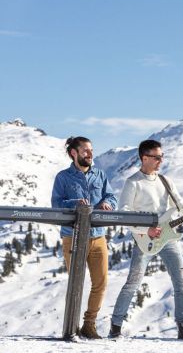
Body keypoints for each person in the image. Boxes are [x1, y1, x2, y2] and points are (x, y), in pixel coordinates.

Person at [109, 139, 183, 339]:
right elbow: (124, 213)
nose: (161, 160)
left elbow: (181, 205)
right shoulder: (133, 182)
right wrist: (145, 230)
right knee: (133, 282)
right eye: (157, 157)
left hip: (168, 238)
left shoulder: (165, 181)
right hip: (144, 240)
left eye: (162, 156)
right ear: (144, 158)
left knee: (181, 281)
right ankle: (115, 326)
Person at [51, 136, 117, 339]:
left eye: (91, 150)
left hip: (98, 236)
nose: (90, 154)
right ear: (74, 153)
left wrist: (108, 204)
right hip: (72, 237)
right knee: (76, 283)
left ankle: (89, 325)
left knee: (101, 282)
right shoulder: (63, 177)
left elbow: (111, 197)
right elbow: (56, 204)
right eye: (86, 150)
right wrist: (75, 203)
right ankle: (72, 326)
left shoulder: (100, 175)